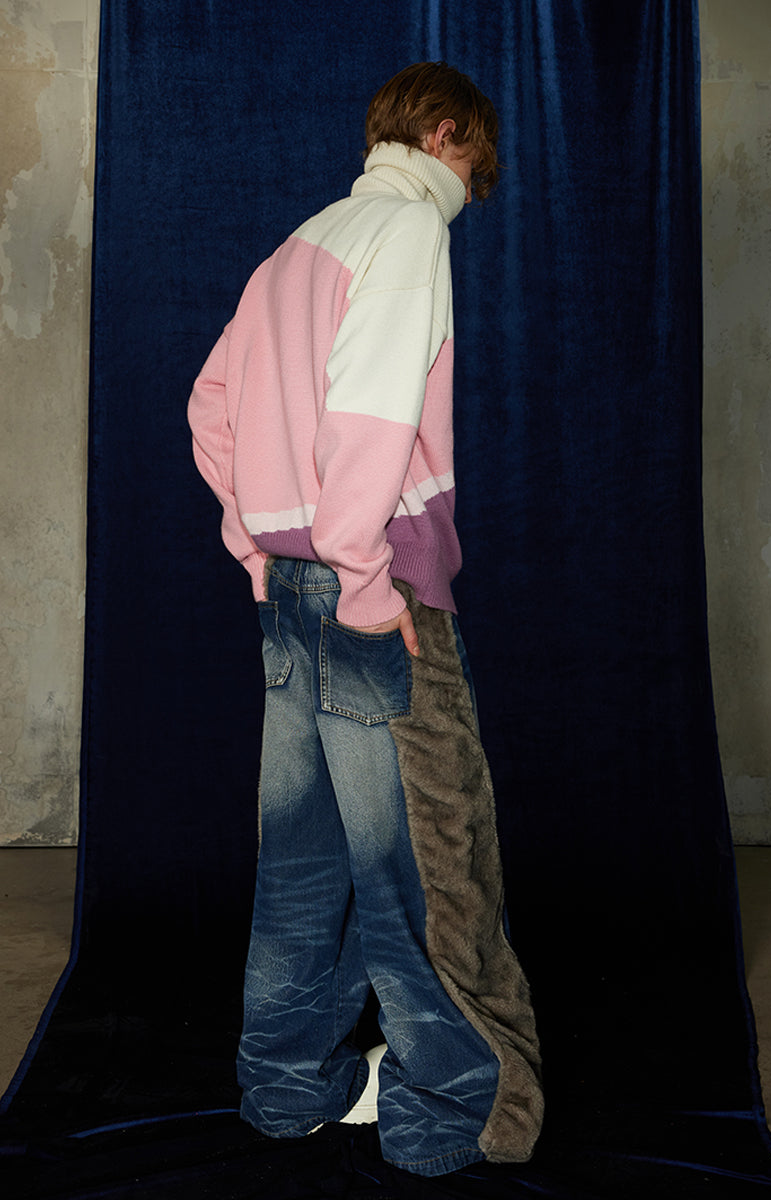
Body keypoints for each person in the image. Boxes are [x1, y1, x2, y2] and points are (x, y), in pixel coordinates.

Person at [187, 61, 543, 1179]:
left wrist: (257, 546)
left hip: (290, 590)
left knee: (301, 860)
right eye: (475, 162)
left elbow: (209, 406)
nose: (475, 188)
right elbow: (375, 408)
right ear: (444, 134)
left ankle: (287, 1090)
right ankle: (446, 1114)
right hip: (365, 585)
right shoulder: (405, 229)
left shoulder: (298, 244)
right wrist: (366, 577)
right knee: (419, 863)